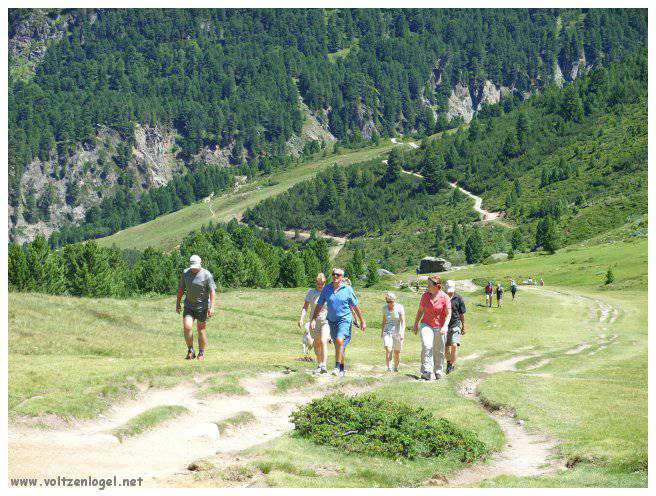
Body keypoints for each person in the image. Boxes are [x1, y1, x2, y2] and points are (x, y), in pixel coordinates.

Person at [311, 268, 366, 377]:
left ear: (342, 277)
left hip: (344, 319)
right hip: (332, 320)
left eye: (338, 275)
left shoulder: (348, 289)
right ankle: (341, 367)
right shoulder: (327, 289)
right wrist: (313, 318)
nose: (335, 276)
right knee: (338, 345)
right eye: (334, 274)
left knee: (340, 340)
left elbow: (355, 306)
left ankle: (336, 367)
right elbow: (319, 305)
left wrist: (362, 320)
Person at [176, 255, 216, 361]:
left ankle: (201, 353)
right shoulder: (186, 273)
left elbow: (212, 291)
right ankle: (191, 351)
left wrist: (211, 307)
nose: (194, 268)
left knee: (201, 330)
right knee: (187, 327)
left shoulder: (206, 275)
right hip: (189, 306)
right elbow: (181, 289)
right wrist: (178, 303)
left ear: (200, 264)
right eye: (192, 266)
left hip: (202, 307)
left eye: (196, 266)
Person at [413, 275, 451, 380]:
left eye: (429, 285)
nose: (427, 287)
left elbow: (448, 314)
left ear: (436, 286)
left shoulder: (445, 297)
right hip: (426, 324)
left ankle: (438, 370)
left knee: (438, 349)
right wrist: (416, 323)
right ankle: (426, 370)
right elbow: (420, 311)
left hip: (440, 326)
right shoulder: (425, 296)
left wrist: (445, 326)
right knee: (427, 345)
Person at [299, 273, 330, 374]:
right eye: (318, 283)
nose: (320, 285)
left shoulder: (328, 292)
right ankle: (319, 364)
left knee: (323, 340)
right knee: (316, 343)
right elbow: (305, 307)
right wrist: (301, 319)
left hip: (326, 321)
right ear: (316, 283)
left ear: (325, 282)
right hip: (314, 321)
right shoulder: (311, 293)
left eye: (322, 283)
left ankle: (324, 365)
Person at [445, 280, 466, 374]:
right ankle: (449, 363)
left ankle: (452, 365)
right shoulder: (442, 297)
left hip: (456, 323)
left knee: (454, 345)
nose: (449, 292)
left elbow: (462, 314)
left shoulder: (459, 298)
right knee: (446, 347)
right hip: (444, 325)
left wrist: (463, 326)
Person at [381, 292, 405, 372]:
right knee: (388, 349)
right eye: (388, 301)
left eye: (391, 301)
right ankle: (389, 368)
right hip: (387, 331)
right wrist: (382, 332)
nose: (390, 303)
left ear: (394, 300)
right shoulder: (384, 308)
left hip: (398, 331)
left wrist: (402, 332)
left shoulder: (400, 307)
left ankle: (396, 367)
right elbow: (384, 320)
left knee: (397, 352)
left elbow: (403, 321)